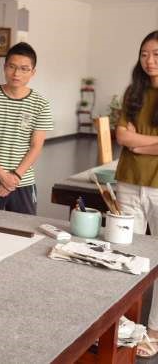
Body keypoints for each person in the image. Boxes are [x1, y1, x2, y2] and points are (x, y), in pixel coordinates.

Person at [113, 30, 158, 358]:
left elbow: (131, 139)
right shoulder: (134, 92)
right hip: (128, 182)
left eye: (156, 54)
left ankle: (154, 330)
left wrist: (137, 142)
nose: (149, 60)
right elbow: (122, 137)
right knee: (125, 256)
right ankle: (125, 325)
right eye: (144, 54)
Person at [0, 42, 53, 214]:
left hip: (22, 181)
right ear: (4, 67)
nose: (16, 74)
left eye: (24, 69)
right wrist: (1, 175)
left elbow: (36, 146)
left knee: (24, 228)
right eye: (12, 67)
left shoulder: (41, 105)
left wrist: (14, 177)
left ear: (33, 72)